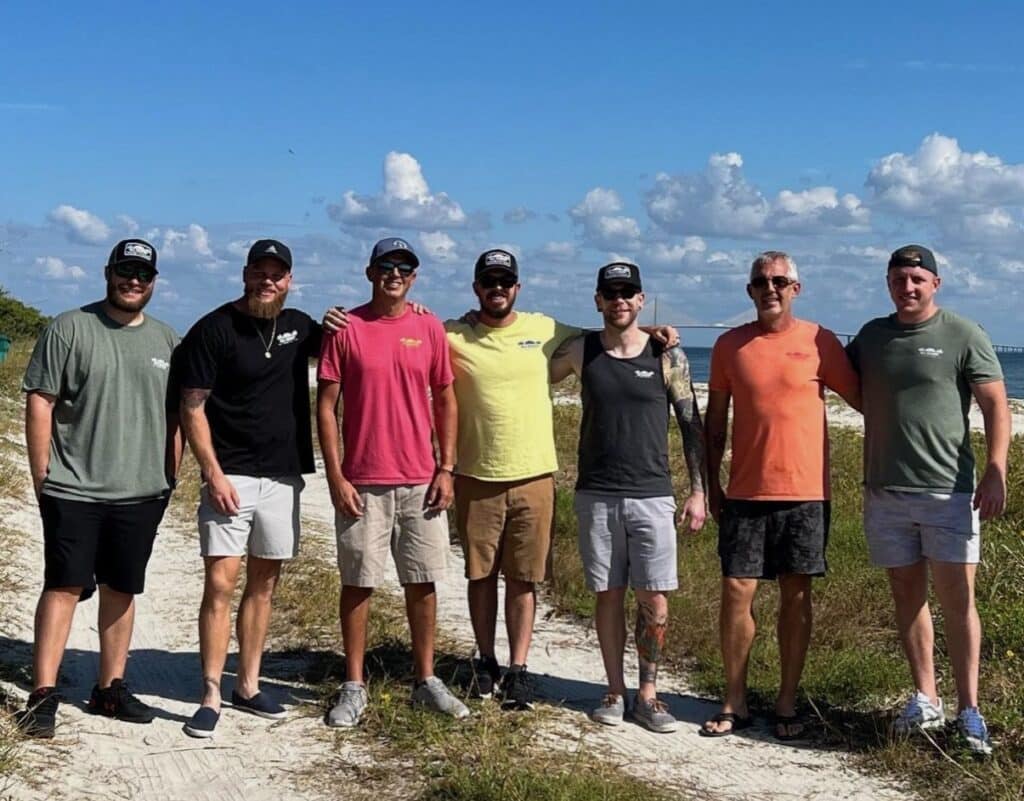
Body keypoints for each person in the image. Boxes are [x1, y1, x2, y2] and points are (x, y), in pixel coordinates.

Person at [847, 245, 1009, 756]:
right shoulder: (872, 337)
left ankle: (970, 710)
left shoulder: (963, 333)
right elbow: (826, 367)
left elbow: (996, 404)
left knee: (958, 601)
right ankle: (926, 698)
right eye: (899, 279)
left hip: (948, 491)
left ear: (935, 283)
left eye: (917, 278)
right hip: (885, 490)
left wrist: (996, 469)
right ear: (888, 283)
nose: (908, 287)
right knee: (906, 594)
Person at [16, 239, 181, 738]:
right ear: (108, 273)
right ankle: (43, 692)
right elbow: (41, 400)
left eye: (143, 274)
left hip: (141, 490)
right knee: (64, 585)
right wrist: (41, 475)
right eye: (125, 271)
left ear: (154, 281)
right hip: (73, 487)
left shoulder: (168, 341)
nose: (134, 281)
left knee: (121, 588)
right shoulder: (70, 327)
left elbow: (179, 416)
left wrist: (170, 476)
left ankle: (110, 687)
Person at [702, 251, 860, 739]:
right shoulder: (730, 345)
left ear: (796, 288)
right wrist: (709, 484)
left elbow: (868, 400)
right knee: (736, 591)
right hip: (746, 491)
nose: (770, 288)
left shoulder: (820, 341)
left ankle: (787, 703)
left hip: (806, 492)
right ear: (749, 290)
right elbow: (714, 425)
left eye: (779, 281)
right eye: (760, 281)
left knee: (796, 596)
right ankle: (735, 701)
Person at [317, 237, 468, 727]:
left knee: (422, 580)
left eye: (404, 267)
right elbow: (326, 407)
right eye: (386, 266)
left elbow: (445, 398)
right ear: (370, 272)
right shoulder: (346, 328)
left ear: (414, 277)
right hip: (362, 480)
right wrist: (336, 475)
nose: (395, 274)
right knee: (358, 582)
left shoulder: (428, 326)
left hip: (420, 479)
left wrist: (447, 467)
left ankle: (426, 679)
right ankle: (354, 684)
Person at [549, 262, 706, 733]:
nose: (620, 300)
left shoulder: (667, 356)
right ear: (598, 299)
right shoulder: (581, 350)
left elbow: (690, 423)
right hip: (596, 493)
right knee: (608, 595)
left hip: (652, 493)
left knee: (654, 599)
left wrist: (698, 490)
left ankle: (649, 693)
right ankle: (614, 690)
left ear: (641, 299)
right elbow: (536, 368)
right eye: (610, 293)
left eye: (628, 293)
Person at [178, 239, 321, 738]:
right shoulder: (213, 329)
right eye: (259, 272)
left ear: (289, 279)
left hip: (283, 475)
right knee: (221, 582)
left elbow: (351, 351)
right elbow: (192, 406)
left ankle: (249, 684)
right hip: (230, 475)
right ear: (244, 275)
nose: (268, 281)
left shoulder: (301, 327)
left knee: (264, 583)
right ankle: (211, 692)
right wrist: (212, 472)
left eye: (277, 274)